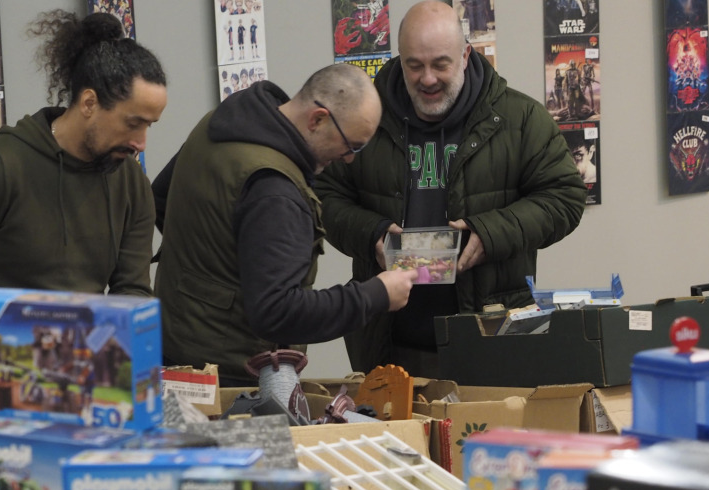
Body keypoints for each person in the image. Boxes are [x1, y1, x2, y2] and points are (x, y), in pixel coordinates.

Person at [314, 1, 586, 374]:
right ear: (400, 59)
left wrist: (489, 234)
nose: (427, 79)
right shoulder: (366, 119)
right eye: (414, 65)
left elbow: (565, 197)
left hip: (494, 339)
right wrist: (371, 234)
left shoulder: (520, 119)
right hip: (390, 344)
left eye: (440, 64)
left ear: (466, 55)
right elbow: (323, 196)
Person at [152, 63, 417, 386]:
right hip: (229, 375)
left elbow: (161, 199)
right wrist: (375, 295)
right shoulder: (276, 190)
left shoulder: (219, 124)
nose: (349, 159)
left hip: (171, 347)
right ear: (318, 119)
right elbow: (278, 312)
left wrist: (213, 274)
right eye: (351, 146)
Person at [0, 11, 166, 336]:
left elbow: (132, 291)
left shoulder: (132, 185)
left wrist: (101, 351)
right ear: (89, 103)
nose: (141, 143)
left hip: (87, 361)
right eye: (132, 123)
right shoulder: (0, 168)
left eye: (149, 125)